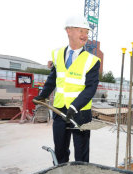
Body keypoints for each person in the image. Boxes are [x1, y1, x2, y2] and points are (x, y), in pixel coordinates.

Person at [33, 15, 100, 164]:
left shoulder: (92, 60)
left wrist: (75, 106)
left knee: (81, 152)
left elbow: (91, 88)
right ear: (69, 31)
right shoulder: (57, 54)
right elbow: (53, 78)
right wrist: (42, 96)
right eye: (81, 31)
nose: (85, 35)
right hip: (59, 110)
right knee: (60, 149)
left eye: (87, 32)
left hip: (80, 113)